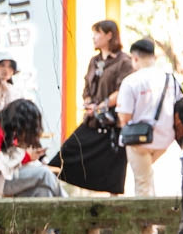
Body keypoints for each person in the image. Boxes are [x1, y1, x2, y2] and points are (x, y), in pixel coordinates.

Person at [49, 21, 134, 193]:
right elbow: (86, 87)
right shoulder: (94, 61)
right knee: (66, 154)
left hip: (111, 122)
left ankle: (113, 205)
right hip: (92, 121)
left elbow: (123, 89)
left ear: (109, 35)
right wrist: (88, 102)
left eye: (97, 33)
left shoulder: (124, 61)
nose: (93, 37)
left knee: (114, 167)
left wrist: (102, 106)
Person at [115, 38, 182, 196]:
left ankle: (146, 221)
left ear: (135, 58)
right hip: (166, 141)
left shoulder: (131, 82)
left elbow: (124, 117)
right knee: (164, 186)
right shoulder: (170, 79)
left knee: (143, 184)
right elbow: (180, 108)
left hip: (138, 141)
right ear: (153, 56)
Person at [0, 98, 63, 198]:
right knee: (44, 173)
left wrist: (29, 157)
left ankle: (50, 213)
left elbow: (5, 161)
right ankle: (68, 204)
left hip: (2, 177)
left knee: (43, 190)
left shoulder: (6, 130)